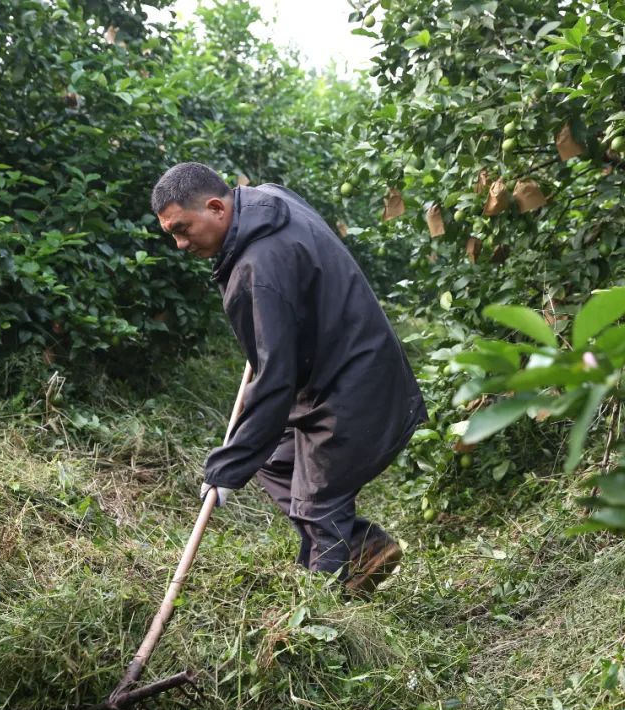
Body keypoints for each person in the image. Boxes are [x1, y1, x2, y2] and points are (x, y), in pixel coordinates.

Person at [150, 162, 426, 595]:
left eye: (183, 229)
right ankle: (362, 546)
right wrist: (244, 454)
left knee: (317, 506)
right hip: (344, 366)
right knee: (275, 460)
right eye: (173, 235)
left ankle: (324, 624)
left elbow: (275, 381)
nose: (181, 244)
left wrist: (226, 466)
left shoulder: (257, 271)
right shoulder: (268, 199)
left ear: (218, 207)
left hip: (353, 387)